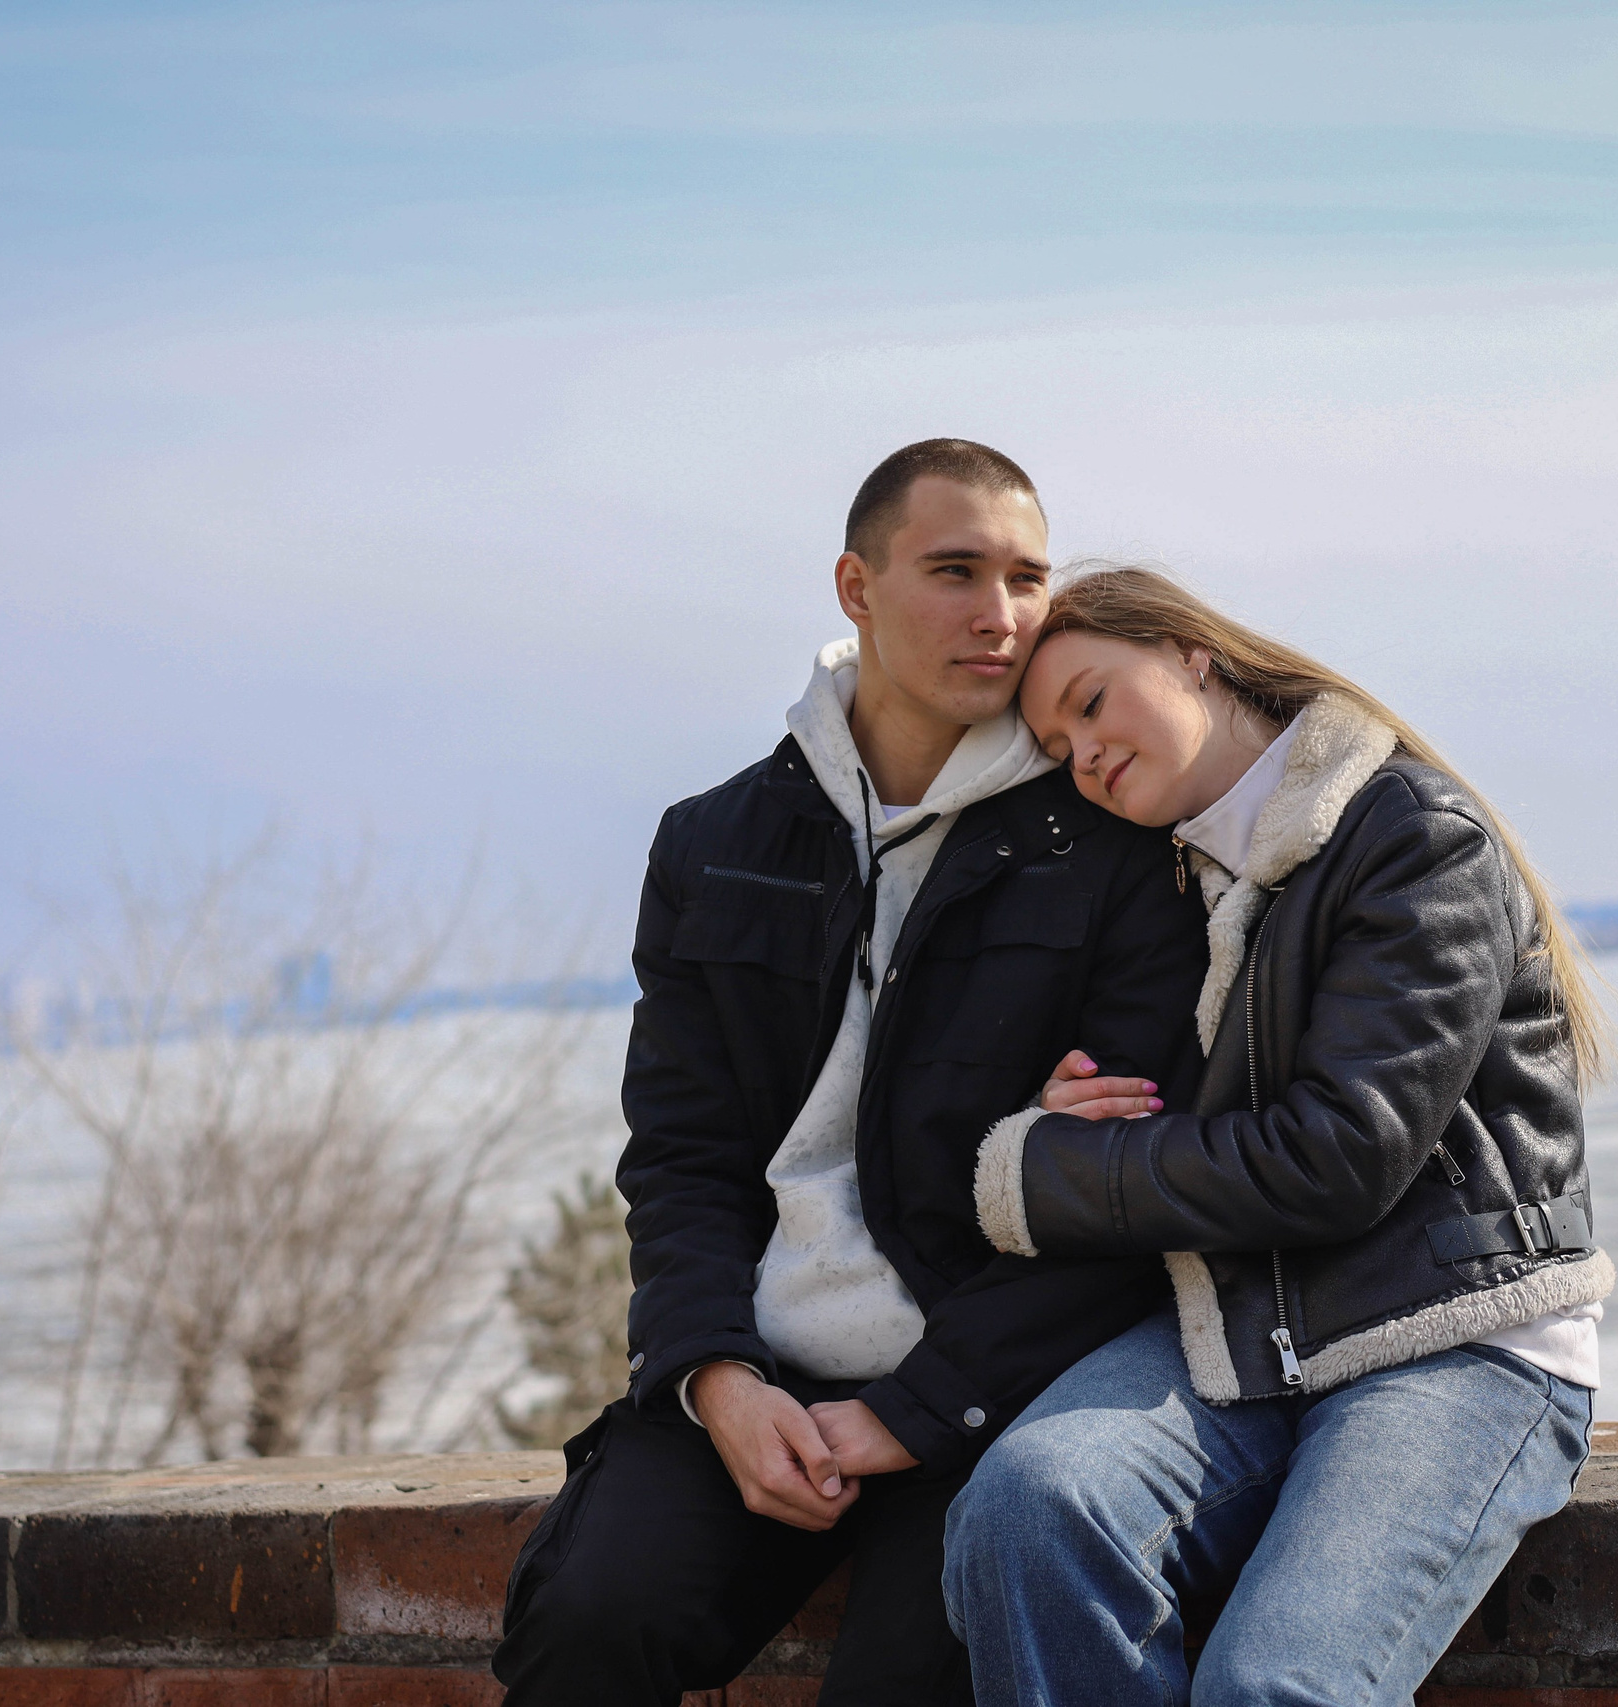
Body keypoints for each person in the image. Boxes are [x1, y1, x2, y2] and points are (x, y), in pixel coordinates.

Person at [491, 447, 1209, 1705]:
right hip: (761, 1373)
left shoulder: (1108, 847)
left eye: (1027, 578)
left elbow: (1119, 1195)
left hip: (991, 1388)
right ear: (854, 586)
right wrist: (717, 1379)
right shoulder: (714, 845)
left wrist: (916, 1410)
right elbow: (684, 1159)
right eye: (955, 571)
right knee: (588, 1620)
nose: (1000, 614)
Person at [945, 565, 1616, 1706]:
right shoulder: (1184, 876)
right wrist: (1075, 1107)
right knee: (1023, 1512)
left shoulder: (1407, 835)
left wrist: (1040, 1171)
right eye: (1058, 748)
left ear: (1189, 652)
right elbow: (1183, 1111)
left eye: (1094, 703)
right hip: (1249, 1330)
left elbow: (1336, 1159)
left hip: (1453, 1339)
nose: (1085, 756)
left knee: (1273, 1685)